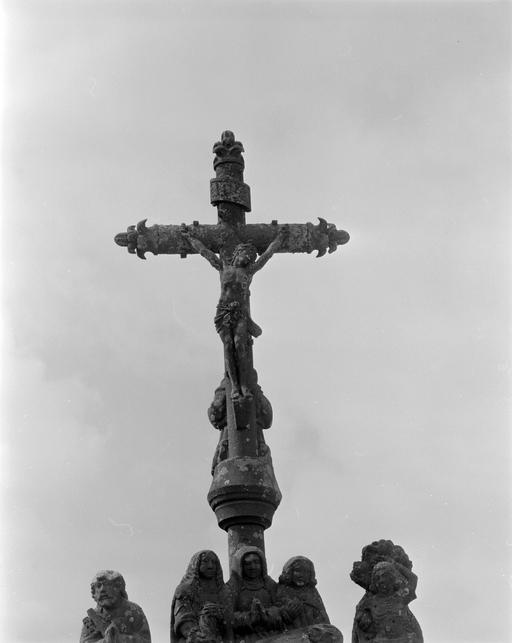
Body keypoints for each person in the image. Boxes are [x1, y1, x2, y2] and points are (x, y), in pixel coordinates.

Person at [181, 225, 289, 400]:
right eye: (247, 254)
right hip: (223, 313)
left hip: (240, 313)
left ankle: (244, 386)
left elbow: (267, 254)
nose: (249, 258)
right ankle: (235, 387)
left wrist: (280, 238)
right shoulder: (223, 267)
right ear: (238, 253)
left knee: (240, 346)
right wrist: (189, 237)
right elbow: (204, 252)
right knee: (228, 347)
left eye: (251, 257)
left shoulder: (249, 271)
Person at [226, 546, 301, 642]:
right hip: (245, 639)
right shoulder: (233, 587)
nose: (252, 567)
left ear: (262, 564)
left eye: (256, 562)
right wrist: (251, 617)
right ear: (240, 565)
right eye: (247, 563)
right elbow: (227, 619)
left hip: (273, 637)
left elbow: (284, 611)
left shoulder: (270, 585)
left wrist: (274, 614)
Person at [352, 561, 423, 643]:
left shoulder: (401, 596)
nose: (381, 580)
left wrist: (395, 564)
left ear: (392, 577)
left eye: (384, 575)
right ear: (374, 583)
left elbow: (413, 578)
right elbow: (360, 628)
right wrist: (364, 619)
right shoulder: (369, 603)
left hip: (404, 639)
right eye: (377, 578)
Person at [171, 550, 231, 643]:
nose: (210, 566)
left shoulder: (223, 590)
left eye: (213, 562)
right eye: (205, 561)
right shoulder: (185, 589)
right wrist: (194, 634)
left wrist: (219, 613)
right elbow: (182, 618)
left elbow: (230, 618)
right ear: (196, 564)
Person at [80, 570, 151, 643]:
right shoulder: (92, 618)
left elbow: (145, 640)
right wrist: (105, 641)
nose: (102, 589)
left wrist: (120, 639)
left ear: (118, 587)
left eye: (107, 584)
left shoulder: (134, 611)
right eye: (98, 586)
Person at [277, 556, 330, 629]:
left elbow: (323, 620)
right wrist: (285, 614)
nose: (301, 575)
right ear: (289, 572)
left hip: (312, 632)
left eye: (305, 571)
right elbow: (274, 620)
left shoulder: (312, 593)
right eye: (297, 570)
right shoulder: (281, 591)